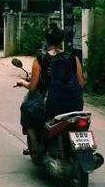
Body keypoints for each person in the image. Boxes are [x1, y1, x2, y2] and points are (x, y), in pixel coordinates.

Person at [21, 24, 85, 152]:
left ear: (47, 40)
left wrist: (22, 83)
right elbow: (81, 84)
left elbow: (33, 87)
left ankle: (36, 147)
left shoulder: (41, 59)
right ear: (61, 40)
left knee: (27, 109)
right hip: (75, 104)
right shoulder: (73, 57)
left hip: (51, 105)